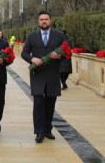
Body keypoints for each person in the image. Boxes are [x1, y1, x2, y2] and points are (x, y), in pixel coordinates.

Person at [21, 11, 66, 143]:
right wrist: (32, 59)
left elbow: (66, 51)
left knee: (50, 104)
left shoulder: (59, 35)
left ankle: (47, 129)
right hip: (37, 74)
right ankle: (39, 132)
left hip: (52, 74)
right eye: (41, 19)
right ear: (38, 21)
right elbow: (24, 53)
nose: (44, 21)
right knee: (38, 104)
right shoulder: (31, 36)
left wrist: (60, 56)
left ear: (50, 21)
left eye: (46, 19)